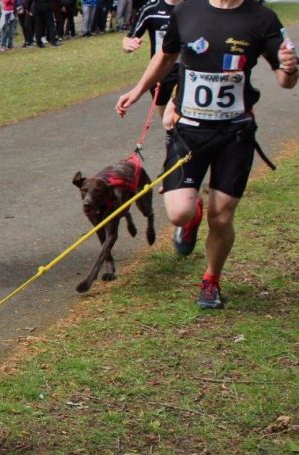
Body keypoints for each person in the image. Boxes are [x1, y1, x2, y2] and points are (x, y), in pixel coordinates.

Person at [116, 0, 297, 309]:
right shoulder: (186, 12)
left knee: (222, 216)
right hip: (189, 131)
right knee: (179, 212)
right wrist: (138, 90)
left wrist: (290, 68)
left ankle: (211, 280)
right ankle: (191, 217)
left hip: (235, 133)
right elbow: (166, 55)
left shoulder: (262, 17)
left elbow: (285, 80)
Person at [122, 0, 183, 121]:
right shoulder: (150, 9)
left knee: (178, 118)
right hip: (161, 72)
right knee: (167, 120)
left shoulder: (195, 7)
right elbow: (130, 37)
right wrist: (127, 44)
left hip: (187, 70)